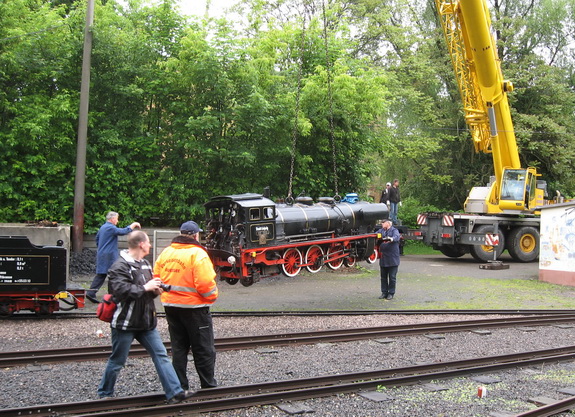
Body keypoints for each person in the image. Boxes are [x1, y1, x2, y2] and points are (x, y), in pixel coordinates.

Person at [97, 230, 194, 404]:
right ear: (141, 244)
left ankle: (175, 392)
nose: (150, 245)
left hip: (146, 323)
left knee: (161, 355)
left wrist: (155, 291)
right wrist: (146, 287)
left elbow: (146, 294)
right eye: (148, 242)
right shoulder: (119, 266)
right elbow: (120, 291)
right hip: (125, 324)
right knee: (118, 360)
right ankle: (105, 393)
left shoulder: (145, 265)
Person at [154, 221, 219, 391]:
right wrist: (212, 297)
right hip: (195, 309)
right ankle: (208, 385)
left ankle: (179, 387)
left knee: (179, 348)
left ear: (181, 233)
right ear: (196, 235)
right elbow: (205, 284)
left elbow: (156, 277)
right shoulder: (198, 254)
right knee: (203, 349)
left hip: (171, 307)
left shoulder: (166, 252)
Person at [86, 211, 140, 303]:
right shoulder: (110, 227)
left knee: (102, 274)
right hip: (109, 255)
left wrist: (101, 248)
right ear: (113, 219)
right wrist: (133, 225)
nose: (117, 221)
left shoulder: (103, 227)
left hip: (102, 253)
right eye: (117, 219)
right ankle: (111, 295)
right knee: (113, 273)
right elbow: (123, 231)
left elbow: (97, 239)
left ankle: (92, 292)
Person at [377, 219, 401, 300]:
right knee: (383, 277)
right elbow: (375, 234)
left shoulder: (394, 230)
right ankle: (384, 292)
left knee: (392, 277)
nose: (382, 224)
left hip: (392, 258)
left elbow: (397, 237)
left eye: (383, 223)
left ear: (388, 223)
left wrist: (391, 239)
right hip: (383, 258)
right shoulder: (381, 231)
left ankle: (391, 293)